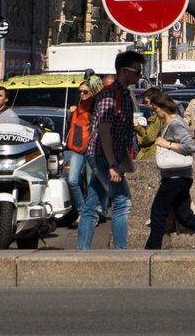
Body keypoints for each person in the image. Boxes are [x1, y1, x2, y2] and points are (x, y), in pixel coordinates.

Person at [77, 50, 142, 250]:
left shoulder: (123, 93)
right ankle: (121, 253)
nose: (139, 76)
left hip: (104, 156)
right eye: (137, 72)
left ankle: (82, 252)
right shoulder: (110, 94)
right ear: (123, 71)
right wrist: (113, 164)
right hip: (102, 156)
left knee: (92, 207)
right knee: (123, 202)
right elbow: (104, 131)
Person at [144, 90, 195, 249]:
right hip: (180, 177)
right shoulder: (171, 123)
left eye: (156, 109)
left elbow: (189, 146)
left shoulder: (175, 123)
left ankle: (151, 250)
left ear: (163, 107)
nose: (155, 113)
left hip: (176, 178)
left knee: (158, 213)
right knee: (185, 217)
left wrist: (165, 144)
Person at [64, 76, 102, 224]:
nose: (82, 94)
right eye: (80, 92)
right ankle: (83, 211)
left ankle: (93, 214)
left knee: (92, 182)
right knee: (72, 180)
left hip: (92, 149)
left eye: (85, 92)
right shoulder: (77, 108)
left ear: (92, 92)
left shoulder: (95, 107)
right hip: (77, 149)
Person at [134, 89, 164, 160]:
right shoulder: (157, 116)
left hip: (152, 154)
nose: (145, 104)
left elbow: (149, 137)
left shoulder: (158, 118)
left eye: (147, 102)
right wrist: (137, 125)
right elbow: (148, 134)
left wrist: (140, 141)